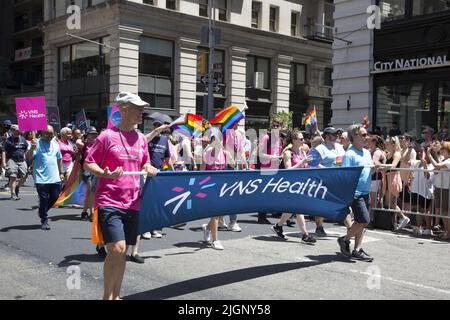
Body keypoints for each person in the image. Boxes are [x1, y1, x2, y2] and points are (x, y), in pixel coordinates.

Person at [84, 92, 157, 300]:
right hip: (109, 200)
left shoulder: (141, 138)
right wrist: (103, 173)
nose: (142, 112)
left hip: (133, 201)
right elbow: (89, 162)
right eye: (138, 108)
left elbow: (145, 162)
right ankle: (107, 296)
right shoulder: (106, 136)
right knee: (118, 247)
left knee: (122, 252)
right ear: (124, 109)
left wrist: (149, 167)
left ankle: (116, 295)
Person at [271, 130, 316, 243]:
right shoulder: (288, 153)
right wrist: (302, 163)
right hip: (289, 184)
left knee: (292, 209)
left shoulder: (302, 152)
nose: (303, 141)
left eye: (303, 138)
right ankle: (305, 234)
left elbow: (305, 166)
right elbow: (288, 170)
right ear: (294, 140)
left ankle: (278, 225)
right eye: (301, 139)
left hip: (301, 183)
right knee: (299, 208)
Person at [337, 124, 374, 262]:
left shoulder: (366, 152)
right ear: (354, 137)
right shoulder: (349, 154)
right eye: (364, 135)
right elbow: (346, 176)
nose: (367, 137)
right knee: (364, 220)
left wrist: (375, 168)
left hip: (366, 191)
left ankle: (358, 249)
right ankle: (344, 239)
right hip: (356, 193)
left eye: (366, 134)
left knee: (361, 223)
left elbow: (367, 171)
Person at [201, 127, 235, 250]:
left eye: (219, 140)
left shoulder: (224, 152)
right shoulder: (207, 152)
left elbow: (233, 165)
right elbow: (202, 171)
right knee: (215, 213)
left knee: (220, 212)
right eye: (215, 140)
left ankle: (207, 227)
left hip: (222, 186)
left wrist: (229, 155)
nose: (218, 142)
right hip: (210, 186)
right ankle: (216, 240)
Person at [25, 126, 64, 230]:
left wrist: (61, 172)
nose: (50, 136)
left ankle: (42, 210)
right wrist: (32, 149)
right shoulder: (35, 143)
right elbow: (28, 158)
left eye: (51, 134)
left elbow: (59, 158)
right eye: (47, 134)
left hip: (55, 177)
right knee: (44, 199)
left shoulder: (55, 143)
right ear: (42, 133)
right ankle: (44, 219)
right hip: (41, 178)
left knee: (55, 197)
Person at [142, 118, 173, 239]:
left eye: (159, 125)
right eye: (155, 125)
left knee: (158, 202)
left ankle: (155, 228)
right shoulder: (147, 138)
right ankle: (145, 228)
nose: (157, 127)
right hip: (147, 172)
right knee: (147, 201)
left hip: (159, 173)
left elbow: (167, 158)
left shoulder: (165, 140)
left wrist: (173, 171)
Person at [313, 127, 346, 236]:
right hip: (324, 180)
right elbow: (313, 163)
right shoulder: (320, 148)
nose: (337, 136)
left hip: (339, 179)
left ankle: (351, 227)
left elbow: (342, 160)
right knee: (321, 205)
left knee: (343, 203)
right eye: (334, 134)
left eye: (337, 134)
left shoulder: (340, 147)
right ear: (327, 137)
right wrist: (326, 169)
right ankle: (319, 226)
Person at [257, 118, 284, 224]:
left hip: (276, 169)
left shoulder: (281, 139)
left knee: (273, 192)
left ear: (281, 127)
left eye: (277, 125)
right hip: (265, 169)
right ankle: (261, 216)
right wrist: (272, 157)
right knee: (265, 193)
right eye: (273, 125)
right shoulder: (266, 137)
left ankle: (274, 212)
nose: (275, 127)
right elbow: (259, 153)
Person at [427, 141, 450, 239]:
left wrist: (429, 154)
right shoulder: (444, 160)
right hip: (439, 187)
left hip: (445, 188)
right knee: (442, 211)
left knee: (445, 212)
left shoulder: (448, 161)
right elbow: (436, 168)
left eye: (443, 149)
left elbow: (436, 166)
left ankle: (448, 232)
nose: (441, 151)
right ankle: (446, 231)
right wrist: (433, 152)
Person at [2, 125, 28, 200]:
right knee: (13, 176)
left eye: (19, 131)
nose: (18, 132)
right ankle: (13, 194)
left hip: (22, 160)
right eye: (16, 131)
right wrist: (4, 162)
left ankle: (17, 187)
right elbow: (4, 151)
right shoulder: (8, 140)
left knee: (24, 176)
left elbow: (25, 149)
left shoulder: (23, 139)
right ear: (12, 131)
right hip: (12, 159)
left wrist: (25, 158)